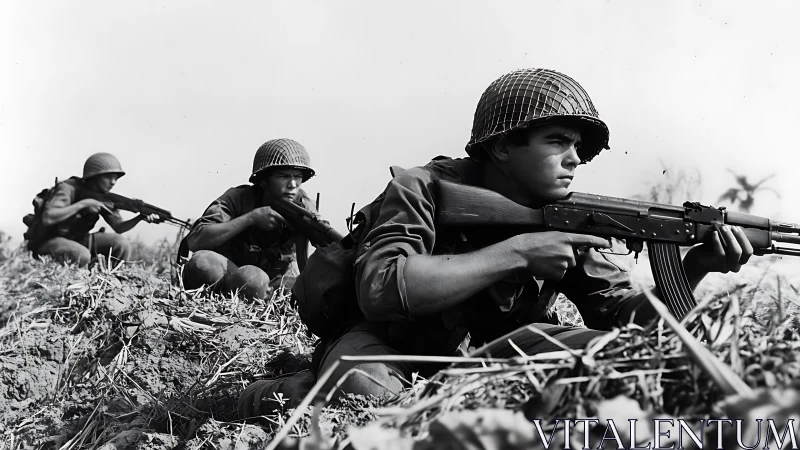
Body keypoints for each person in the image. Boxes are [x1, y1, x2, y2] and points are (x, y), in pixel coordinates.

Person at [238, 68, 754, 418]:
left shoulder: (570, 214)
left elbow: (624, 320)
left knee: (622, 362)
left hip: (493, 357)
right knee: (367, 392)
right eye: (557, 141)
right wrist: (520, 252)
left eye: (578, 146)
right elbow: (382, 287)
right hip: (391, 345)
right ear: (504, 145)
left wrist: (693, 269)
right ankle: (281, 391)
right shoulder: (425, 187)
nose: (574, 158)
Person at [182, 138, 326, 301]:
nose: (293, 184)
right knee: (204, 263)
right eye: (284, 176)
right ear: (263, 180)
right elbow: (195, 240)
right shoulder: (238, 198)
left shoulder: (303, 206)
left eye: (298, 176)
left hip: (275, 284)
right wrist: (250, 218)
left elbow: (328, 245)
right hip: (232, 275)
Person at [29, 152, 161, 267]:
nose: (113, 182)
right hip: (49, 240)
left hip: (79, 239)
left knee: (121, 243)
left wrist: (140, 217)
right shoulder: (68, 188)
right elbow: (48, 217)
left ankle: (114, 282)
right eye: (108, 177)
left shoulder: (104, 197)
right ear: (95, 176)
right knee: (81, 254)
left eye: (115, 177)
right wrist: (84, 204)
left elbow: (118, 227)